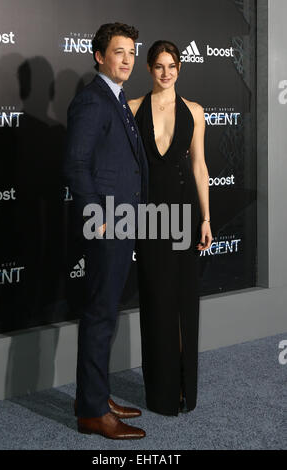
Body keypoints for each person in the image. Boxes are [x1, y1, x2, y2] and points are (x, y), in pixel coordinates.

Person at [64, 23, 148, 439]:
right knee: (100, 315)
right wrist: (97, 216)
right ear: (99, 55)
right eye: (119, 52)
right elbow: (76, 165)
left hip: (124, 219)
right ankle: (93, 413)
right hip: (107, 223)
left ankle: (93, 396)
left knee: (105, 313)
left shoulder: (115, 97)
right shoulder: (92, 101)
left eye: (132, 52)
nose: (128, 59)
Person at [128, 40, 212, 416]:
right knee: (156, 303)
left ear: (180, 68)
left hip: (185, 216)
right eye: (159, 66)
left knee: (183, 305)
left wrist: (207, 219)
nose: (166, 72)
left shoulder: (195, 111)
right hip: (148, 218)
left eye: (172, 65)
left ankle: (184, 389)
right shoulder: (131, 109)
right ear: (149, 68)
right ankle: (160, 393)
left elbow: (199, 166)